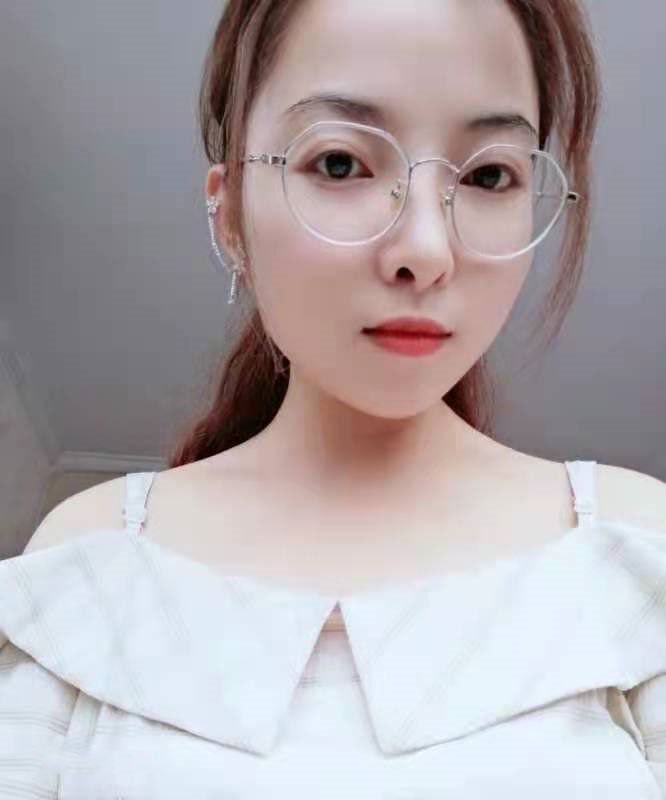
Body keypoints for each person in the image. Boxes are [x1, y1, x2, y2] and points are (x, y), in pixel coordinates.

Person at [1, 0, 665, 797]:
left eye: (489, 175)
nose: (426, 249)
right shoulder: (92, 558)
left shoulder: (631, 546)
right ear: (229, 212)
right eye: (342, 163)